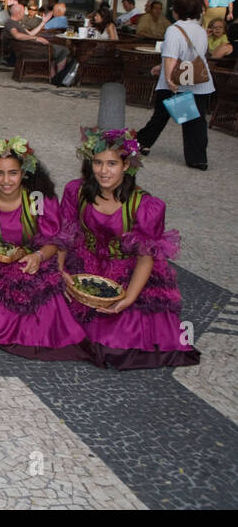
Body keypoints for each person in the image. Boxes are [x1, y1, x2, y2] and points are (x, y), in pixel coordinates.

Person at [57, 128, 201, 369]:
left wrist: (130, 298)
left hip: (127, 271)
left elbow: (146, 258)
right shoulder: (77, 191)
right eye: (98, 163)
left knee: (116, 341)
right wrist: (60, 271)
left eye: (112, 163)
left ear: (126, 165)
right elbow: (65, 235)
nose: (103, 171)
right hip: (83, 262)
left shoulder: (146, 206)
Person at [0, 138, 88, 360]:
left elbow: (54, 240)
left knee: (45, 302)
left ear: (24, 173)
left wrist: (38, 256)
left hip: (30, 261)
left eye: (13, 173)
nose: (6, 180)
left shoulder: (36, 201)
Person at [136, 0, 214, 170]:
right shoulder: (200, 29)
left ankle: (142, 143)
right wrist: (160, 66)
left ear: (178, 11)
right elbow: (193, 54)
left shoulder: (174, 29)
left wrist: (169, 78)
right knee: (195, 120)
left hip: (176, 81)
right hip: (198, 80)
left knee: (161, 115)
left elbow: (171, 57)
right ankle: (198, 158)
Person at [1, 0, 69, 79]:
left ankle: (54, 75)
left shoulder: (16, 23)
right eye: (24, 11)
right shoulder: (10, 23)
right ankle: (59, 77)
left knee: (57, 49)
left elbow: (30, 33)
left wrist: (43, 22)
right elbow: (17, 36)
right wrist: (36, 38)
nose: (25, 13)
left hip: (30, 48)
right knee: (64, 50)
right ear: (18, 13)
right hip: (31, 50)